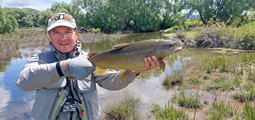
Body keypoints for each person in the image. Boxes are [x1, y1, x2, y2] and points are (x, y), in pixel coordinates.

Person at [16, 13, 160, 120]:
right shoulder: (40, 59)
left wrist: (133, 71)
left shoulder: (91, 59)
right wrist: (64, 67)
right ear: (49, 35)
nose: (63, 38)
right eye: (56, 32)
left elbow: (113, 82)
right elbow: (23, 82)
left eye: (68, 32)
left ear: (76, 34)